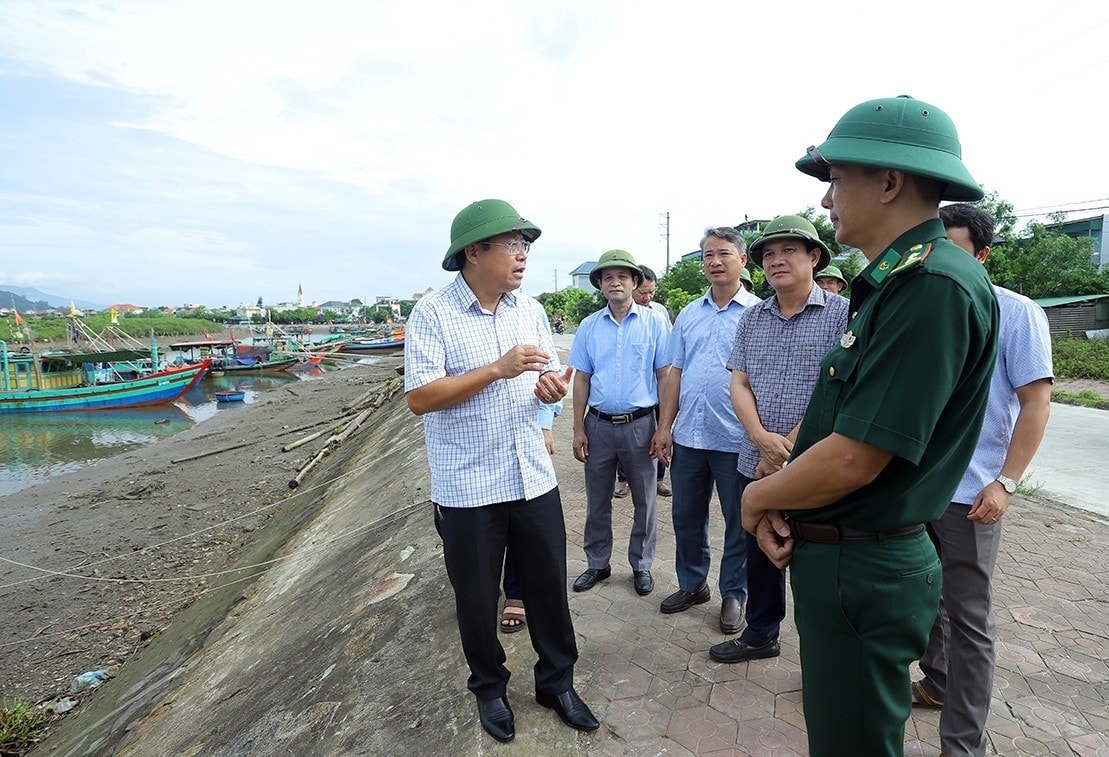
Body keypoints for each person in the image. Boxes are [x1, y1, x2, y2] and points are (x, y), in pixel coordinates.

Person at [740, 96, 1000, 756]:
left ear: (888, 182)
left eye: (836, 179)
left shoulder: (930, 285)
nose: (826, 200)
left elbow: (857, 458)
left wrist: (757, 496)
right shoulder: (895, 281)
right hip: (848, 554)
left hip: (864, 562)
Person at [404, 199, 598, 743]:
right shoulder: (433, 314)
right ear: (474, 251)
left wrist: (549, 393)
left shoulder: (529, 310)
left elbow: (544, 384)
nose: (522, 255)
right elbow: (420, 397)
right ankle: (489, 687)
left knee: (548, 587)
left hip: (531, 476)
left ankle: (557, 682)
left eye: (525, 245)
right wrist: (495, 369)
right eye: (512, 244)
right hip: (467, 484)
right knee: (476, 595)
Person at [913, 203, 1053, 757]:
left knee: (969, 619)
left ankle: (963, 744)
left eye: (953, 251)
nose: (939, 263)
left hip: (971, 494)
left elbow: (1036, 403)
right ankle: (936, 680)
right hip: (913, 487)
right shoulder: (918, 307)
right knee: (923, 598)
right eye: (932, 250)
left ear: (984, 255)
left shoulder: (1014, 313)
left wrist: (1006, 482)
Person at [708, 215, 848, 663]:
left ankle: (826, 655)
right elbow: (739, 382)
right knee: (760, 548)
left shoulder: (843, 315)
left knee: (817, 557)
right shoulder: (753, 317)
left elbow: (839, 391)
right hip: (755, 457)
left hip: (817, 462)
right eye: (768, 254)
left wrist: (784, 449)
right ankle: (761, 633)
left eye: (789, 250)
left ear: (814, 256)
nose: (776, 260)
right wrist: (759, 437)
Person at [650, 227, 761, 632]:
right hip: (690, 437)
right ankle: (693, 584)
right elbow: (674, 373)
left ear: (742, 261)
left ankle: (734, 593)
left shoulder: (758, 313)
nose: (714, 262)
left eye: (724, 254)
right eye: (708, 255)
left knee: (738, 521)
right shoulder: (689, 315)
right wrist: (664, 427)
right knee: (686, 515)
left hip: (736, 438)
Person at [569, 249, 670, 597]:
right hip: (597, 425)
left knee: (645, 500)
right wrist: (578, 427)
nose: (615, 282)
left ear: (634, 282)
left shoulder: (655, 323)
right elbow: (582, 378)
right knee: (597, 499)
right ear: (599, 284)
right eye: (608, 277)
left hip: (641, 425)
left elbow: (665, 375)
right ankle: (598, 562)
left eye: (622, 276)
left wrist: (663, 427)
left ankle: (641, 564)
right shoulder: (589, 327)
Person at [501, 400, 562, 634]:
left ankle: (515, 591)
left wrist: (544, 426)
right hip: (463, 451)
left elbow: (549, 383)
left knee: (519, 522)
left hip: (523, 440)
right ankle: (479, 587)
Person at [616, 264, 672, 498]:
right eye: (644, 292)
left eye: (652, 292)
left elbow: (666, 355)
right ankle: (624, 480)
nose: (648, 297)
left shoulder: (659, 314)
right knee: (622, 435)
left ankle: (658, 479)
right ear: (633, 286)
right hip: (630, 391)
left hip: (655, 389)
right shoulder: (617, 313)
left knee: (659, 432)